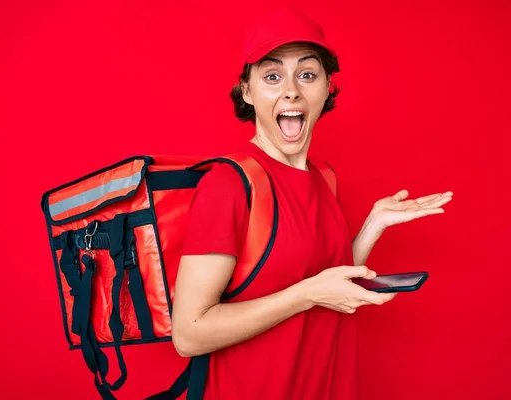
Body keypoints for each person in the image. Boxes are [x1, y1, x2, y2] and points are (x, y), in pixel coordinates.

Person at [170, 6, 453, 400]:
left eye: (307, 74)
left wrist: (374, 223)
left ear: (326, 88)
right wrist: (305, 294)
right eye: (272, 76)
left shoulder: (324, 178)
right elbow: (188, 333)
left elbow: (328, 284)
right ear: (247, 92)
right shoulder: (230, 184)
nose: (292, 90)